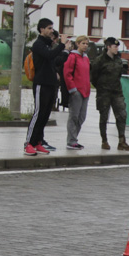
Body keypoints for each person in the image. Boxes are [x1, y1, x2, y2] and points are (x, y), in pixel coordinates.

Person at [24, 18, 67, 156]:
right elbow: (49, 55)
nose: (51, 30)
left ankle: (37, 142)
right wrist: (61, 45)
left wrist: (65, 52)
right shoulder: (38, 44)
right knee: (38, 113)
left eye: (52, 28)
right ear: (42, 29)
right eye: (49, 28)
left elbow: (55, 60)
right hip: (41, 84)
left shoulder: (48, 45)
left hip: (50, 84)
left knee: (45, 115)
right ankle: (28, 143)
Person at [89, 36, 129, 151]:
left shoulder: (118, 59)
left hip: (117, 92)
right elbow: (93, 77)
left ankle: (122, 141)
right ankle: (104, 140)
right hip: (104, 93)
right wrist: (101, 87)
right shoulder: (99, 60)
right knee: (104, 117)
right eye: (114, 46)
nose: (117, 48)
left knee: (122, 115)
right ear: (108, 47)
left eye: (117, 46)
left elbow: (119, 74)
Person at [62, 35, 91, 150]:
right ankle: (71, 140)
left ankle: (74, 138)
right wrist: (72, 89)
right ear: (78, 44)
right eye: (83, 43)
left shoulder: (86, 58)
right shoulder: (72, 57)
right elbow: (67, 73)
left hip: (85, 91)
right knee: (74, 116)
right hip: (76, 91)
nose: (85, 46)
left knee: (81, 117)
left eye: (87, 44)